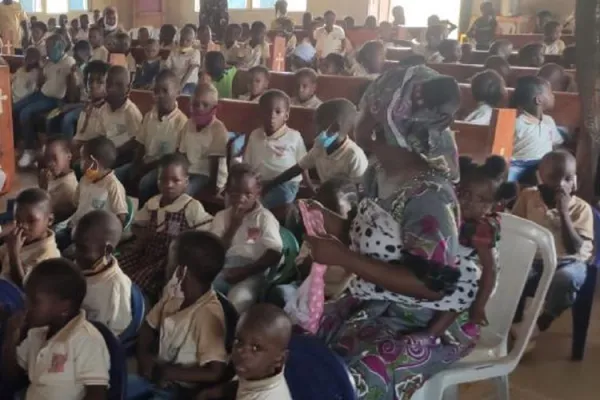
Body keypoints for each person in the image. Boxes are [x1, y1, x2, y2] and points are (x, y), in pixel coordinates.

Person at [305, 65, 480, 399]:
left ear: (387, 123)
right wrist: (328, 222)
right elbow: (368, 239)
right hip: (370, 301)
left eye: (368, 108)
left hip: (421, 320)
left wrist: (344, 258)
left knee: (349, 380)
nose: (359, 117)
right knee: (303, 344)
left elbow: (430, 287)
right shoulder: (378, 173)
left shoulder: (428, 197)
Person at [132, 230, 228, 398]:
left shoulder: (207, 314)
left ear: (181, 272)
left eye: (169, 261)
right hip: (156, 373)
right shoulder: (174, 292)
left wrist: (169, 373)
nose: (165, 265)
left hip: (179, 389)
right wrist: (144, 356)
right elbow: (148, 325)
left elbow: (215, 371)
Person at [512, 150, 593, 346]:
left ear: (575, 181)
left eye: (567, 178)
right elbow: (516, 228)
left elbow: (574, 247)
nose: (560, 185)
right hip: (535, 260)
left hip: (568, 261)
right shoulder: (528, 197)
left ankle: (541, 322)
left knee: (566, 279)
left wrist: (563, 211)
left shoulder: (581, 208)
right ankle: (514, 322)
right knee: (512, 273)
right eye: (553, 178)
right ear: (539, 177)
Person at [0, 258, 110, 399]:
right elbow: (12, 378)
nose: (25, 305)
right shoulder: (37, 333)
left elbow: (97, 394)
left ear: (63, 308)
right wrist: (11, 337)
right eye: (25, 298)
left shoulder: (87, 340)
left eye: (34, 301)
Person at [120, 154, 212, 300]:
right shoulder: (153, 203)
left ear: (186, 182)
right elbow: (137, 225)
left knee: (137, 282)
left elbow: (206, 231)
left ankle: (137, 304)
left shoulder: (190, 206)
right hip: (147, 252)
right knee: (119, 269)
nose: (169, 185)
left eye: (176, 180)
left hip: (168, 260)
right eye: (163, 179)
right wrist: (142, 236)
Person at [210, 163, 283, 313]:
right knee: (204, 295)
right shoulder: (221, 217)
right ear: (227, 191)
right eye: (235, 193)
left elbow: (275, 253)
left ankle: (230, 334)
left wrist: (244, 271)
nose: (240, 199)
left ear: (258, 193)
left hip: (253, 271)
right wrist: (233, 226)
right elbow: (215, 251)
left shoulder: (264, 218)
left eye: (247, 194)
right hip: (225, 267)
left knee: (235, 303)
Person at [265, 98, 367, 196]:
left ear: (335, 127)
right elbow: (296, 169)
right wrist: (269, 186)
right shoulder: (320, 148)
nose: (315, 131)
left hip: (345, 205)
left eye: (319, 126)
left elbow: (358, 193)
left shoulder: (354, 156)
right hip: (326, 198)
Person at [198, 304, 293, 400]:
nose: (240, 351)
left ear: (280, 360)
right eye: (239, 341)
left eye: (256, 348)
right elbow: (242, 383)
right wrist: (211, 393)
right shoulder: (258, 371)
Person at [120, 70, 188, 204]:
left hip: (163, 167)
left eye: (164, 91)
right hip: (145, 162)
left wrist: (146, 167)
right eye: (156, 91)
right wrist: (136, 164)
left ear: (177, 93)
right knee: (117, 175)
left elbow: (175, 157)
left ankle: (144, 215)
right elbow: (141, 143)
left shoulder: (182, 123)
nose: (159, 96)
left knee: (145, 183)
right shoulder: (149, 116)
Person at [457, 156, 509, 326]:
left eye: (481, 200)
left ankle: (435, 333)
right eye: (464, 193)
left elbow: (490, 269)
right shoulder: (452, 215)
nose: (469, 203)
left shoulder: (482, 227)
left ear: (494, 206)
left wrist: (479, 307)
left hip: (477, 285)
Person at [13, 34, 75, 168]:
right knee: (15, 107)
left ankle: (30, 150)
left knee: (26, 112)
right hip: (41, 94)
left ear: (60, 47)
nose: (47, 51)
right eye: (46, 47)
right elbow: (42, 82)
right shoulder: (50, 62)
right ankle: (22, 145)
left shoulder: (68, 62)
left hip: (55, 99)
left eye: (49, 47)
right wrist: (42, 67)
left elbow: (71, 83)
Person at [57, 136, 128, 251]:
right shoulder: (85, 180)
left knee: (67, 252)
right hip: (75, 227)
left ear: (94, 163)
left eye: (83, 159)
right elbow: (75, 205)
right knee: (55, 239)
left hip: (92, 237)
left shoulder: (113, 186)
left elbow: (121, 217)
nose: (80, 162)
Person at [243, 90, 308, 211]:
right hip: (260, 182)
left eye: (278, 112)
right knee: (239, 196)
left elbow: (304, 163)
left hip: (285, 184)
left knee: (277, 198)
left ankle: (256, 212)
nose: (272, 115)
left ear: (286, 116)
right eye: (267, 111)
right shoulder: (255, 135)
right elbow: (247, 164)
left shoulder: (294, 136)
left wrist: (309, 186)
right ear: (260, 113)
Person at [74, 210, 132, 336]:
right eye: (75, 245)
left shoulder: (115, 287)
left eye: (82, 248)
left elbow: (114, 332)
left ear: (107, 250)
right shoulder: (82, 266)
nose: (75, 253)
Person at [0, 188, 59, 287]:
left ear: (50, 220)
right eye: (18, 219)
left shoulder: (49, 256)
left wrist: (13, 254)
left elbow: (24, 287)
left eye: (31, 221)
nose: (23, 225)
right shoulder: (18, 238)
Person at [87, 65, 143, 167]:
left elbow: (137, 140)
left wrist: (116, 151)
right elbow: (101, 134)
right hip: (107, 153)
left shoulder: (131, 111)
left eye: (118, 85)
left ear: (128, 88)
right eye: (108, 83)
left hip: (124, 155)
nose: (111, 89)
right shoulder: (103, 109)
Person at [179, 83, 230, 195]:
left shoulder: (218, 129)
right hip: (190, 170)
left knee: (184, 192)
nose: (200, 108)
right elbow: (182, 153)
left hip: (208, 175)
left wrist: (212, 188)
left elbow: (214, 163)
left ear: (214, 107)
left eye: (205, 105)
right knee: (171, 185)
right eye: (196, 104)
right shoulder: (189, 124)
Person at [511, 76, 563, 162]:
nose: (553, 96)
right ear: (539, 100)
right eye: (550, 93)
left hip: (542, 170)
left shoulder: (548, 121)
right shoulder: (517, 123)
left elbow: (556, 144)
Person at [72, 60, 110, 153]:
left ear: (108, 84)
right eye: (90, 81)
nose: (93, 85)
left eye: (99, 82)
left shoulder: (107, 110)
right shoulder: (89, 106)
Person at [39, 138, 78, 222]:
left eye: (54, 158)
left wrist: (43, 187)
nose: (49, 163)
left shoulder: (67, 187)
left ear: (68, 156)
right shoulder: (51, 175)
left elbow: (42, 209)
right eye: (47, 159)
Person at [164, 25, 202, 95]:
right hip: (175, 81)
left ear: (193, 40)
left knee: (182, 94)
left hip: (188, 83)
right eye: (182, 39)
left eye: (188, 40)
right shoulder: (174, 50)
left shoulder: (195, 52)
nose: (184, 43)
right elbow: (167, 67)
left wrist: (181, 86)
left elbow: (190, 70)